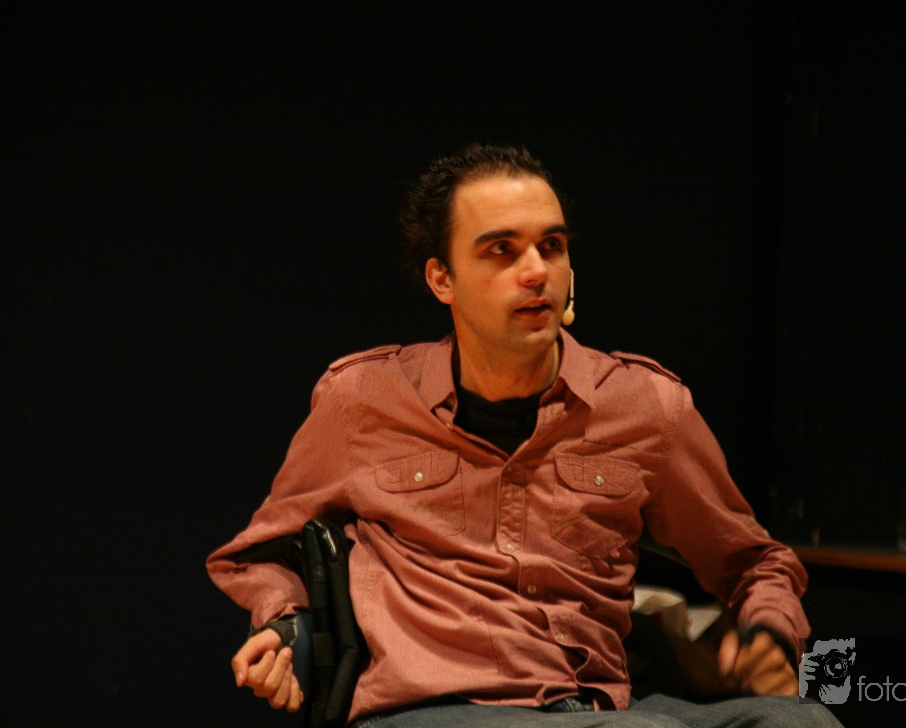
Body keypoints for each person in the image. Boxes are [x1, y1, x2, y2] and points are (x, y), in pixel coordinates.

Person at [207, 143, 842, 727]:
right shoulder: (363, 399)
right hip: (432, 707)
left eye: (552, 246)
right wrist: (284, 624)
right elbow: (263, 550)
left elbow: (753, 560)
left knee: (803, 721)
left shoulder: (645, 407)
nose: (536, 271)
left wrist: (769, 634)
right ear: (442, 279)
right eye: (501, 250)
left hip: (590, 707)